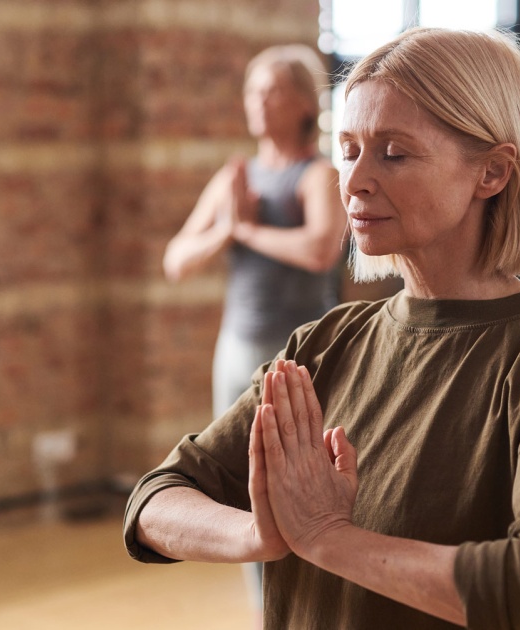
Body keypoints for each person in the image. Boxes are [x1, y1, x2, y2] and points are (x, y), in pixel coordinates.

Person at [126, 28, 520, 629]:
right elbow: (153, 501)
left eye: (394, 152)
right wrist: (258, 533)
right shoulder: (321, 345)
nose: (355, 181)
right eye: (348, 149)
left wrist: (325, 537)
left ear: (493, 173)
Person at [160, 44, 347, 609]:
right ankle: (266, 613)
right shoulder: (235, 178)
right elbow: (176, 260)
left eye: (270, 90)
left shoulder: (318, 174)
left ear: (300, 102)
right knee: (246, 487)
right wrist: (225, 230)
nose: (257, 102)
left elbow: (320, 249)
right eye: (251, 91)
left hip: (304, 355)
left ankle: (314, 607)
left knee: (305, 484)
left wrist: (245, 232)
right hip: (238, 350)